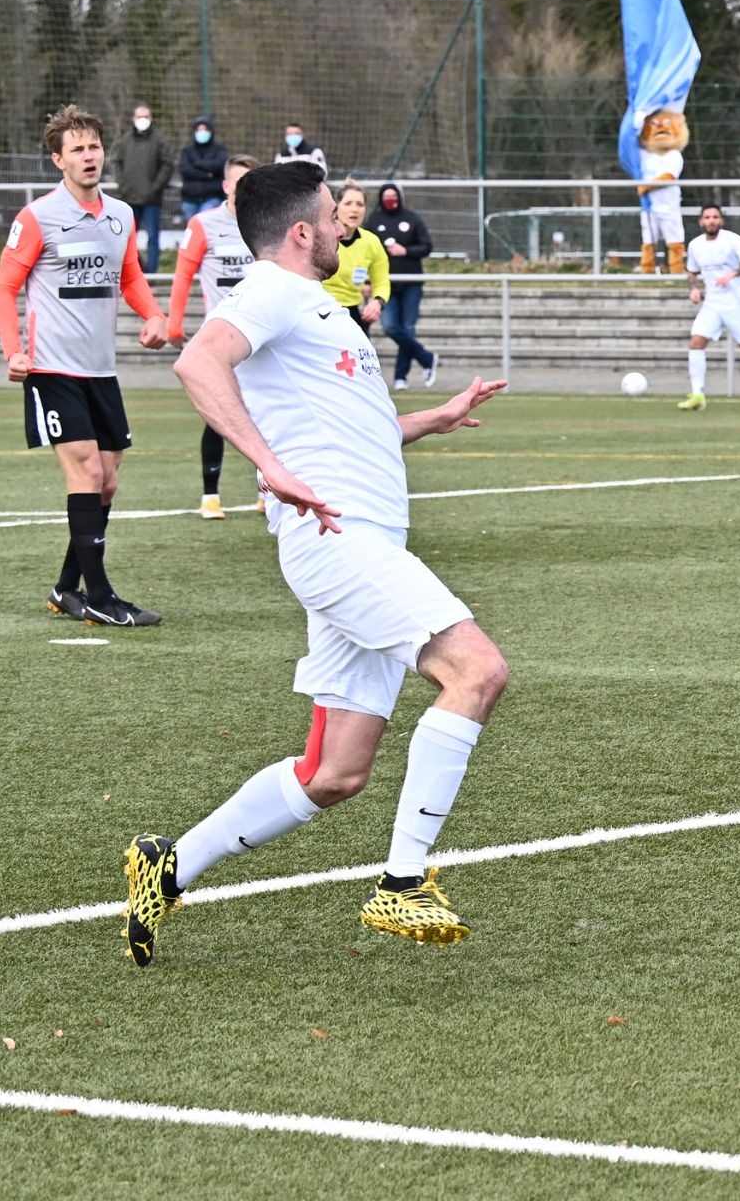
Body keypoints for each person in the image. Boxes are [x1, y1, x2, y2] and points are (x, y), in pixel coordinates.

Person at [125, 161, 511, 966]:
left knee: (334, 773)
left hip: (358, 542)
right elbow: (197, 363)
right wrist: (268, 467)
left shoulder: (318, 308)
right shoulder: (272, 289)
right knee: (476, 671)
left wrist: (432, 419)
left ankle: (169, 864)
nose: (345, 228)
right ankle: (401, 884)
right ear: (303, 232)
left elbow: (350, 430)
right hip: (341, 542)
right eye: (335, 217)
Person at [0, 104, 167, 627]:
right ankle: (101, 597)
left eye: (94, 147)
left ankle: (66, 588)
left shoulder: (122, 215)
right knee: (87, 470)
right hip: (51, 369)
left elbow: (130, 277)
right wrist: (13, 350)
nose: (89, 156)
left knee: (106, 482)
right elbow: (4, 288)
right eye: (77, 149)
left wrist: (154, 314)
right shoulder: (37, 217)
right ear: (58, 160)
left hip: (101, 371)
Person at [168, 154, 261, 519]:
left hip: (261, 340)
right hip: (220, 342)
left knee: (265, 415)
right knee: (217, 416)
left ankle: (267, 492)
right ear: (226, 186)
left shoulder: (268, 223)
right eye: (239, 182)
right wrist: (174, 325)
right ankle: (211, 496)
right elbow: (182, 276)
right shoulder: (204, 224)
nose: (244, 189)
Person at [678, 203, 740, 413]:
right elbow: (692, 272)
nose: (711, 221)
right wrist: (694, 289)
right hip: (711, 304)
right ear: (701, 222)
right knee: (696, 343)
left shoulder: (732, 240)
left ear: (721, 220)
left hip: (735, 302)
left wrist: (733, 274)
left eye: (715, 217)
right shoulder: (695, 245)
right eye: (707, 217)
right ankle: (697, 395)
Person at [367, 182, 439, 389]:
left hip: (411, 283)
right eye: (386, 196)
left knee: (408, 328)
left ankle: (401, 377)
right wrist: (367, 281)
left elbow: (426, 246)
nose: (390, 199)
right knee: (390, 326)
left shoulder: (412, 218)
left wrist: (405, 251)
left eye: (394, 196)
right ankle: (426, 358)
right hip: (386, 284)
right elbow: (365, 252)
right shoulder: (374, 221)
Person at [323, 179, 391, 348]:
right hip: (320, 310)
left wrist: (377, 302)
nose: (354, 209)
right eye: (348, 203)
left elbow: (382, 282)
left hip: (351, 312)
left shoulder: (371, 242)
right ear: (336, 207)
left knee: (361, 359)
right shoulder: (322, 236)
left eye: (360, 204)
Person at [111, 102, 173, 273]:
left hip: (152, 199)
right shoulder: (125, 141)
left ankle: (152, 275)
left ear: (151, 118)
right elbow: (116, 162)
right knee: (127, 238)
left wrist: (155, 187)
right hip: (129, 198)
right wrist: (123, 185)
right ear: (133, 118)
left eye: (146, 116)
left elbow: (167, 165)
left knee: (153, 238)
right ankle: (133, 271)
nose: (142, 120)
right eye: (139, 116)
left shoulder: (159, 140)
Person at [179, 118, 228, 222]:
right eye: (199, 130)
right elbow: (185, 170)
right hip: (189, 198)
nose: (202, 132)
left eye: (205, 129)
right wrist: (208, 174)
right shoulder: (187, 151)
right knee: (193, 227)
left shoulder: (220, 150)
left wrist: (197, 162)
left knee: (204, 224)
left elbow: (219, 166)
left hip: (212, 197)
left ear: (211, 131)